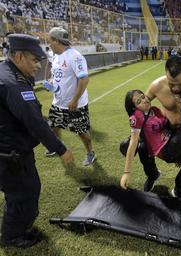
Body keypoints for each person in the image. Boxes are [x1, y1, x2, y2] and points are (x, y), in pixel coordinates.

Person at [0, 34, 74, 248]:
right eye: (34, 60)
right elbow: (35, 123)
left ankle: (18, 227)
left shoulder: (7, 74)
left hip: (9, 150)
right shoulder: (15, 85)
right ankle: (13, 236)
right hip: (11, 154)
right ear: (18, 56)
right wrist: (60, 149)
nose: (37, 66)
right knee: (24, 194)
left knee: (21, 192)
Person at [120, 56, 181, 198]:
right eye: (171, 83)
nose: (175, 88)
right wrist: (134, 135)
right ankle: (153, 175)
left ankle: (179, 190)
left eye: (179, 84)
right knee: (142, 146)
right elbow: (139, 109)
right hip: (166, 133)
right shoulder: (156, 86)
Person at [44, 27, 96, 166]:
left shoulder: (75, 56)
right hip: (58, 102)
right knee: (54, 127)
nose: (49, 44)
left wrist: (74, 100)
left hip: (75, 104)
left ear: (57, 41)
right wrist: (51, 81)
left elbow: (84, 79)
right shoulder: (55, 56)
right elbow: (56, 73)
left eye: (50, 41)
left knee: (82, 132)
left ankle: (91, 153)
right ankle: (57, 148)